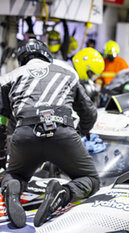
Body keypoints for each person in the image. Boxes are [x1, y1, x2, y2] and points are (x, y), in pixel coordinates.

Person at [0, 39, 100, 228]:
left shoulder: (7, 77)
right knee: (91, 180)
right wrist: (79, 133)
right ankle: (62, 194)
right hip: (62, 132)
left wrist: (1, 159)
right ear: (47, 56)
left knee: (14, 175)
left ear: (22, 59)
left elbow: (1, 123)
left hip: (25, 135)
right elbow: (90, 113)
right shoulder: (68, 73)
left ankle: (12, 188)